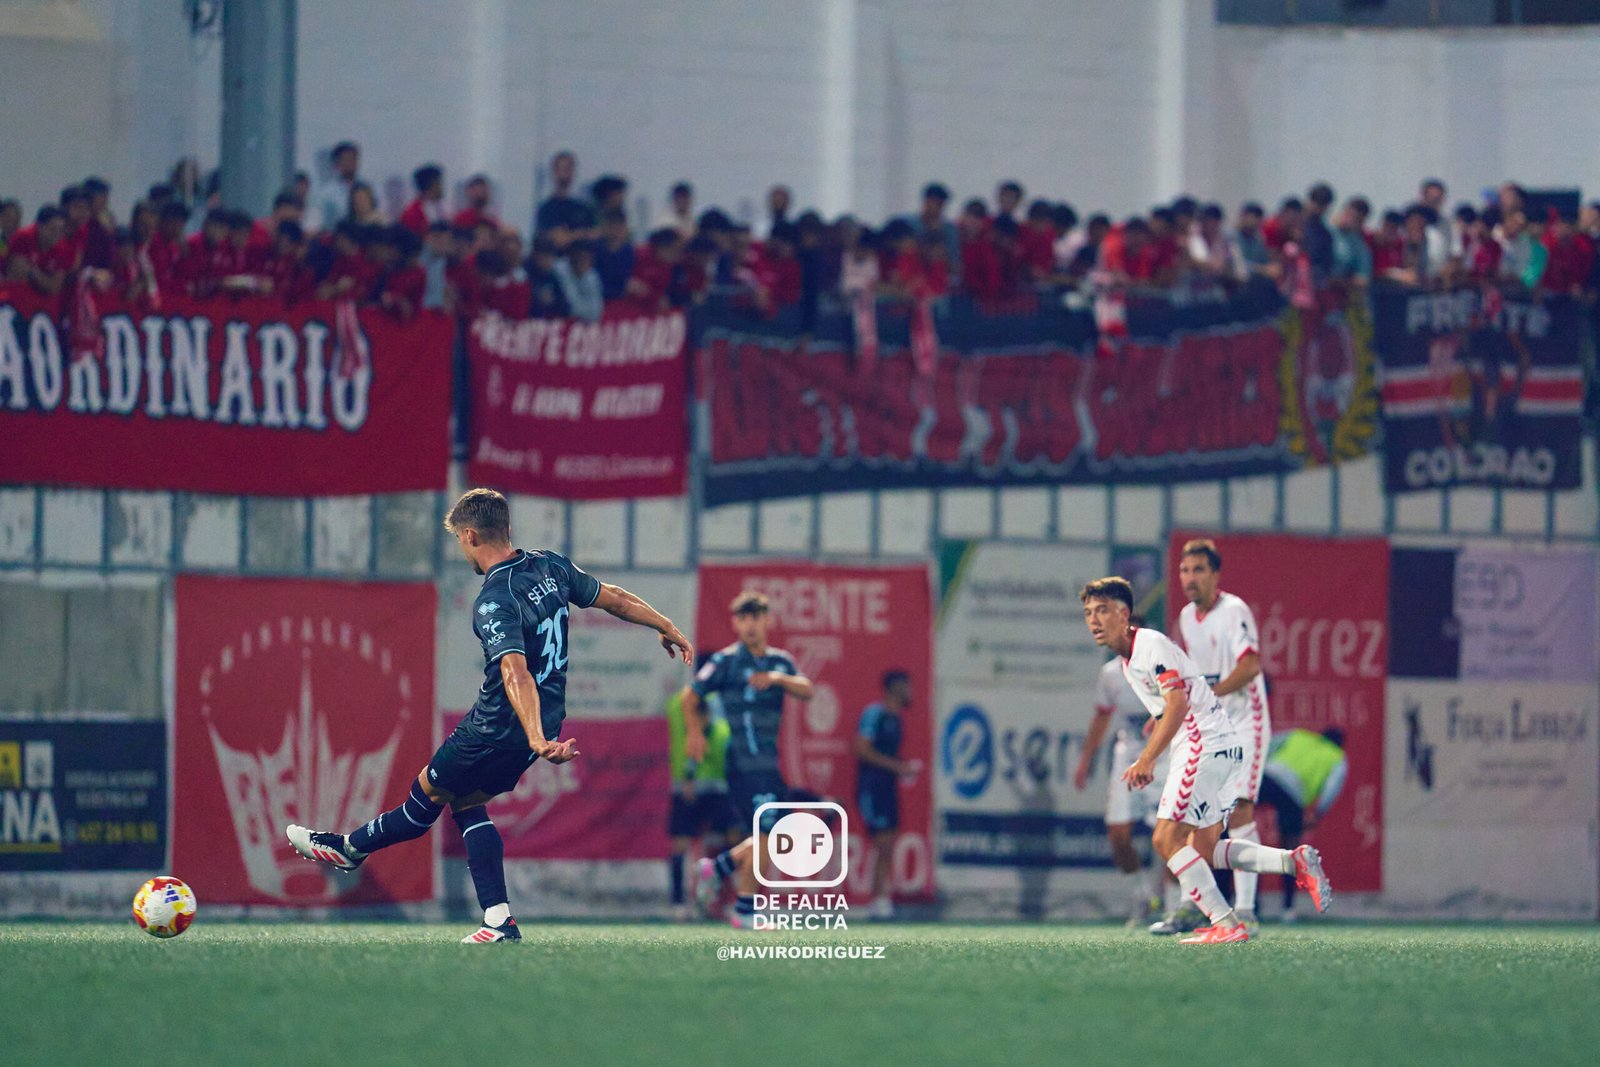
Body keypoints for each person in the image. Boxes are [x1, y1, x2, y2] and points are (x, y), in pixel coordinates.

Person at [287, 488, 694, 944]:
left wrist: (535, 737)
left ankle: (349, 850)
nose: (462, 550)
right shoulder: (552, 566)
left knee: (424, 796)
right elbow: (613, 596)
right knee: (465, 803)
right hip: (540, 724)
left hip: (497, 726)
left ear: (470, 535)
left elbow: (515, 670)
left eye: (460, 542)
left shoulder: (494, 598)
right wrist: (665, 624)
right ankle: (498, 919)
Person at [1080, 576, 1331, 945]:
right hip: (1218, 745)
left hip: (1203, 744)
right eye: (1088, 613)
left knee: (1165, 839)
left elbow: (1179, 704)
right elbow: (1177, 698)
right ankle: (1293, 862)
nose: (1094, 620)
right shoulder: (1129, 660)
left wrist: (1147, 758)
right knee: (1206, 850)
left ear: (1124, 613)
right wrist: (1160, 723)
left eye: (1102, 610)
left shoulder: (1147, 645)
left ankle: (1226, 923)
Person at [684, 592, 814, 930]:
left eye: (756, 617)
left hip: (770, 766)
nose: (750, 625)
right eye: (743, 618)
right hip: (743, 764)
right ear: (735, 623)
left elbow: (806, 689)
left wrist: (776, 679)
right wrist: (695, 734)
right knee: (767, 835)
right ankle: (744, 910)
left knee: (775, 839)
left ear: (768, 621)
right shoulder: (727, 662)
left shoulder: (780, 661)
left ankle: (720, 866)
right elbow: (690, 696)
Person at [1175, 539, 1273, 933]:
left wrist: (1211, 696)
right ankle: (1197, 905)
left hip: (1246, 722)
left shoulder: (1234, 611)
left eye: (1199, 570)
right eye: (1185, 570)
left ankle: (1246, 907)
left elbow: (1250, 665)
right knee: (1196, 815)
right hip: (1213, 726)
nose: (1190, 578)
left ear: (1215, 575)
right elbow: (1192, 678)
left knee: (1240, 810)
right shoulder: (1185, 618)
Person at [1073, 615, 1170, 929]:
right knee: (1117, 834)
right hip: (1127, 752)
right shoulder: (1111, 674)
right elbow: (1101, 718)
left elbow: (1182, 705)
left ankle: (1173, 907)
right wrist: (1086, 760)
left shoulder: (1161, 667)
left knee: (1169, 836)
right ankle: (1142, 895)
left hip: (1164, 754)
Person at [1259, 728, 1348, 922]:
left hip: (1268, 778)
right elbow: (1332, 788)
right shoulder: (1337, 758)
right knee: (1290, 851)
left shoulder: (1298, 735)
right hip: (1294, 796)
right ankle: (1288, 909)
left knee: (1240, 830)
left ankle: (1247, 903)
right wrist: (1316, 814)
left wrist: (1261, 770)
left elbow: (1268, 746)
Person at [854, 670, 922, 921]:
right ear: (895, 687)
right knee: (881, 842)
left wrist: (903, 769)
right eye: (907, 687)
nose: (910, 693)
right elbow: (861, 749)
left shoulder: (898, 718)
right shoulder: (876, 714)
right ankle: (876, 898)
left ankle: (882, 898)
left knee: (890, 842)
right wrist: (897, 767)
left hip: (888, 786)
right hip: (872, 786)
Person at [665, 683, 736, 919]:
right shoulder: (679, 704)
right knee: (680, 845)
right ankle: (678, 903)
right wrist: (687, 778)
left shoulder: (721, 730)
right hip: (687, 790)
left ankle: (724, 900)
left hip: (716, 790)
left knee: (732, 841)